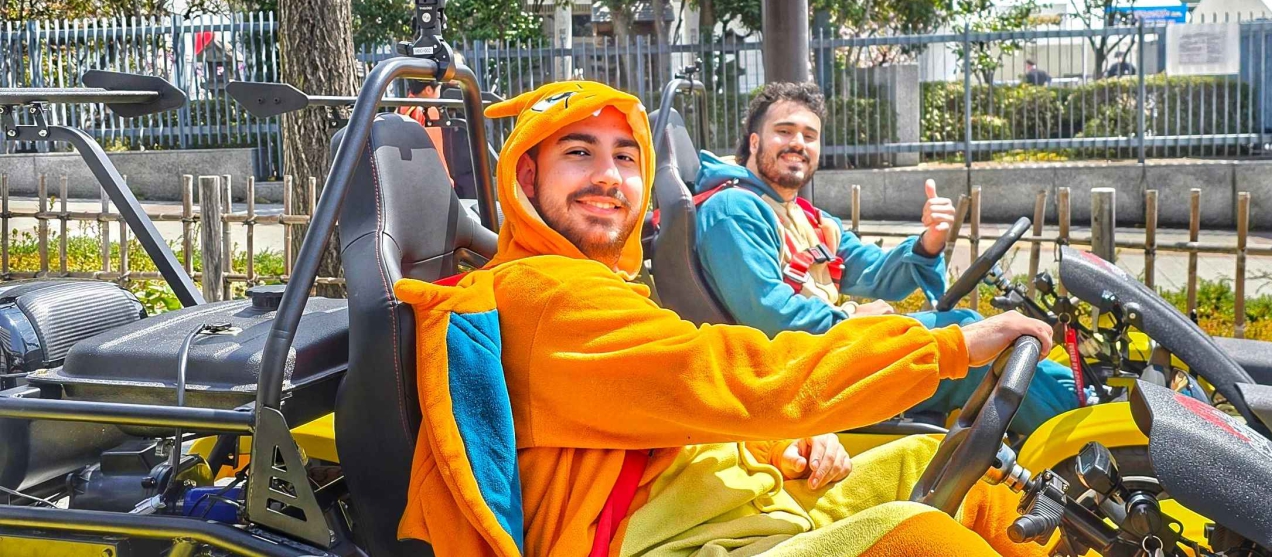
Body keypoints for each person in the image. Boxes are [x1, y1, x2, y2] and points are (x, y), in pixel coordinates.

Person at [395, 81, 1057, 557]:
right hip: (675, 537)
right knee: (922, 538)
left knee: (957, 468)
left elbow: (675, 402)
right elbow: (733, 369)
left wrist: (777, 442)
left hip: (738, 498)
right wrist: (943, 347)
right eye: (578, 153)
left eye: (625, 157)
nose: (608, 177)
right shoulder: (550, 295)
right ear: (525, 177)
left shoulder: (603, 284)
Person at [692, 82, 1079, 432]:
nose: (798, 143)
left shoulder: (807, 217)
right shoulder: (733, 210)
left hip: (829, 358)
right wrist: (852, 321)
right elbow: (768, 314)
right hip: (798, 378)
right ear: (755, 142)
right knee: (972, 349)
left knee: (987, 332)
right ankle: (1080, 435)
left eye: (809, 136)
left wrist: (928, 242)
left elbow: (876, 273)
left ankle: (1085, 402)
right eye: (784, 131)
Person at [398, 81, 479, 200]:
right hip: (431, 176)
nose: (440, 93)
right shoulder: (429, 110)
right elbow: (435, 147)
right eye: (439, 88)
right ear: (428, 90)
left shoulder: (404, 106)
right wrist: (445, 177)